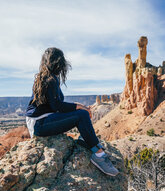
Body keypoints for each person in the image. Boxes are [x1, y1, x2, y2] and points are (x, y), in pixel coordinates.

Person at [26, 47, 119, 176]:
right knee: (81, 115)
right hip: (39, 124)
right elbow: (57, 106)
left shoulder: (50, 78)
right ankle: (99, 155)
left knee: (81, 114)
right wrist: (78, 106)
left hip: (43, 120)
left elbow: (56, 106)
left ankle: (86, 140)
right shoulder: (49, 80)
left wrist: (77, 106)